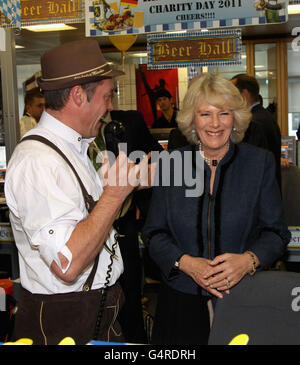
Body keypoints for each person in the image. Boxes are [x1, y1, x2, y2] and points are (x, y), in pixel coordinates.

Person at [4, 39, 151, 345]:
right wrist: (114, 195)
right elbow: (67, 264)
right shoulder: (38, 161)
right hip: (63, 321)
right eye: (107, 97)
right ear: (77, 96)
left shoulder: (75, 149)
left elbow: (82, 223)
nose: (110, 107)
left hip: (95, 309)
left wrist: (123, 186)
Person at [142, 73, 291, 345]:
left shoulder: (259, 164)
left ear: (235, 118)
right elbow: (153, 234)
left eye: (223, 113)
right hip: (180, 304)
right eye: (205, 114)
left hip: (243, 300)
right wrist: (185, 263)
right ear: (192, 119)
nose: (214, 124)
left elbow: (277, 234)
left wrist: (248, 260)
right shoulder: (172, 165)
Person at [89, 109, 163, 344]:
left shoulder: (129, 121)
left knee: (129, 298)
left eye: (110, 94)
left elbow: (157, 157)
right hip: (86, 229)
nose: (107, 101)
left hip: (123, 227)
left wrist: (139, 183)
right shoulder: (72, 136)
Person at [231, 74, 282, 191]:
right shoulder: (264, 116)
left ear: (244, 94)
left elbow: (250, 166)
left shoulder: (254, 123)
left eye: (232, 94)